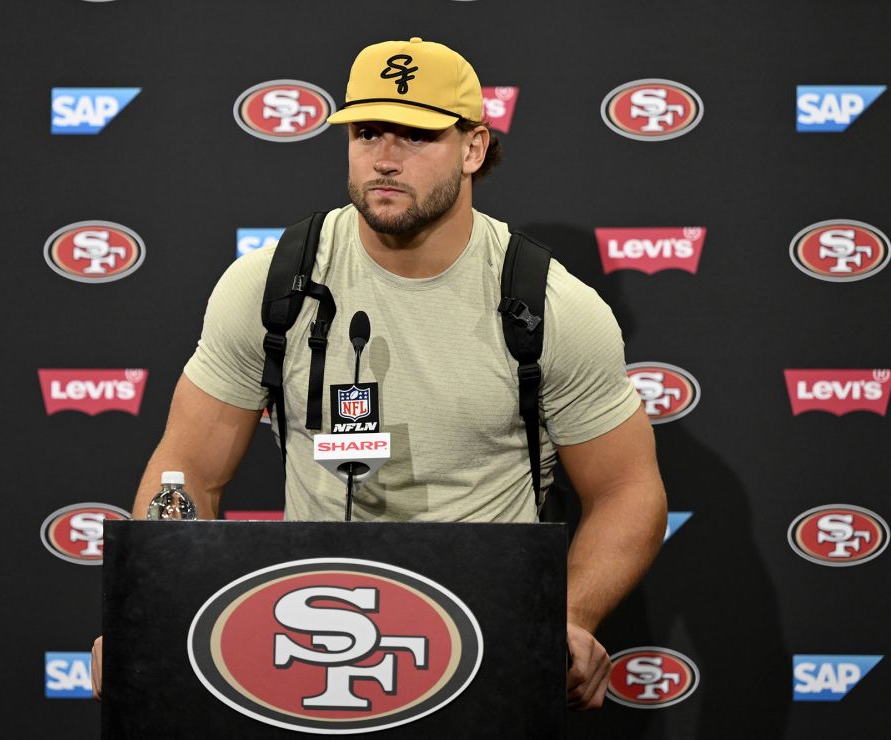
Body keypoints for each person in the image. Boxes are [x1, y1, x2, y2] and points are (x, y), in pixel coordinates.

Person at [92, 36, 667, 711]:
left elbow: (629, 491)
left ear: (474, 148)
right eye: (366, 133)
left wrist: (566, 618)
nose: (386, 159)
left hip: (485, 651)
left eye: (417, 135)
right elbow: (187, 468)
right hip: (311, 646)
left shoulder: (549, 306)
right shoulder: (272, 284)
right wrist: (149, 608)